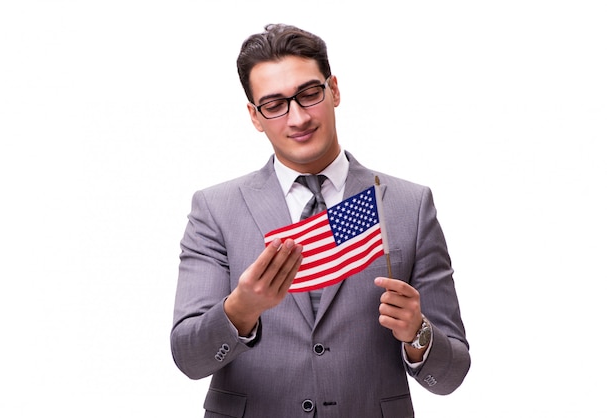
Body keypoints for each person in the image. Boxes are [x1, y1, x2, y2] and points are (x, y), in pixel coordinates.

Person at [171, 23, 470, 418]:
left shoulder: (408, 205)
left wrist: (418, 332)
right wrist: (240, 310)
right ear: (254, 116)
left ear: (334, 90)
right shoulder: (215, 209)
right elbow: (190, 360)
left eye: (309, 94)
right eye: (274, 104)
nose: (297, 118)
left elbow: (450, 376)